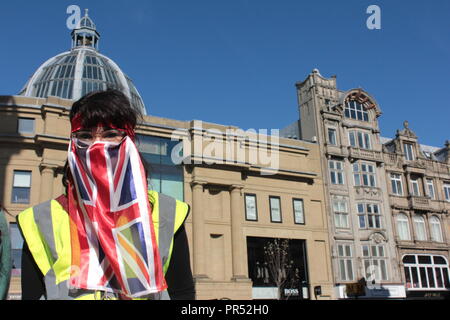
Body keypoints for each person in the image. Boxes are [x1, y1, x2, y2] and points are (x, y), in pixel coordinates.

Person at [18, 89, 195, 300]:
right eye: (85, 136)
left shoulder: (166, 213)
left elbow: (182, 293)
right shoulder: (40, 221)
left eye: (110, 135)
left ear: (128, 142)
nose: (97, 146)